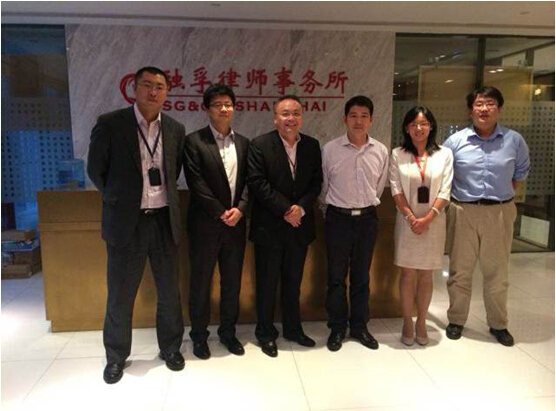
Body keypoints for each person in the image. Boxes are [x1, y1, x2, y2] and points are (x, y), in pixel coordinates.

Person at [87, 67, 186, 384]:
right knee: (120, 294)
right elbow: (96, 169)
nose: (153, 92)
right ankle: (116, 356)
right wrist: (120, 200)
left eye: (160, 86)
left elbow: (173, 171)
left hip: (164, 221)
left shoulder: (175, 128)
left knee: (169, 292)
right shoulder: (111, 124)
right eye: (147, 85)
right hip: (126, 223)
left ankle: (171, 348)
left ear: (166, 92)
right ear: (134, 88)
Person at [443, 86, 530, 346]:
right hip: (463, 211)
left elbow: (520, 174)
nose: (484, 109)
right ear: (471, 110)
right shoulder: (455, 142)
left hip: (499, 212)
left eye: (490, 104)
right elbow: (445, 175)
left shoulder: (514, 140)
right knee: (460, 270)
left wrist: (498, 198)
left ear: (499, 108)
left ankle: (498, 324)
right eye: (479, 104)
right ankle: (456, 319)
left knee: (497, 272)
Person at [247, 95, 323, 357]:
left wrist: (300, 208)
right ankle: (265, 333)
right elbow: (258, 183)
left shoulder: (311, 145)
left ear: (302, 117)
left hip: (299, 226)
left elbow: (316, 182)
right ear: (275, 118)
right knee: (267, 284)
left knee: (293, 282)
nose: (291, 118)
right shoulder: (260, 145)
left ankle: (293, 329)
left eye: (296, 113)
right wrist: (285, 210)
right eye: (285, 113)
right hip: (269, 227)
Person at [183, 84, 249, 360]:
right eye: (217, 104)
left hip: (236, 226)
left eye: (228, 104)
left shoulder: (244, 143)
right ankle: (199, 336)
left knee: (232, 283)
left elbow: (249, 183)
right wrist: (221, 212)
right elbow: (196, 183)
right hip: (205, 225)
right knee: (201, 283)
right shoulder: (194, 142)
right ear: (207, 109)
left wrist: (240, 209)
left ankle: (228, 332)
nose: (224, 109)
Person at [320, 95, 388, 352]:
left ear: (371, 120)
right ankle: (337, 327)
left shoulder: (380, 150)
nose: (358, 121)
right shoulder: (330, 150)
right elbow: (324, 186)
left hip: (367, 219)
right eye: (353, 116)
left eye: (364, 116)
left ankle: (359, 327)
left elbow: (379, 187)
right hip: (337, 218)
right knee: (336, 277)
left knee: (361, 276)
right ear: (344, 119)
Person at [389, 106, 453, 346]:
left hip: (433, 223)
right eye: (414, 124)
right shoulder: (398, 154)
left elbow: (446, 189)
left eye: (424, 123)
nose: (419, 128)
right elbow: (395, 188)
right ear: (407, 128)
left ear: (431, 126)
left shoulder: (444, 154)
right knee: (407, 273)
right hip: (407, 222)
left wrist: (428, 218)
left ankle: (422, 321)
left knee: (426, 275)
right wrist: (410, 217)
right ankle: (407, 320)